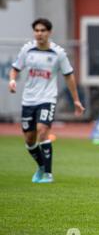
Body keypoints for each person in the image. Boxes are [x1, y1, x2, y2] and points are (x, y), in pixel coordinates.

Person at [8, 18, 85, 183]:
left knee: (43, 131)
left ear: (49, 32)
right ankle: (41, 166)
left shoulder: (58, 53)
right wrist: (12, 80)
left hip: (47, 98)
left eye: (43, 30)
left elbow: (69, 76)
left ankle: (48, 174)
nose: (39, 33)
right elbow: (15, 69)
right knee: (29, 140)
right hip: (28, 100)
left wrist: (76, 100)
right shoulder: (27, 50)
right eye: (36, 30)